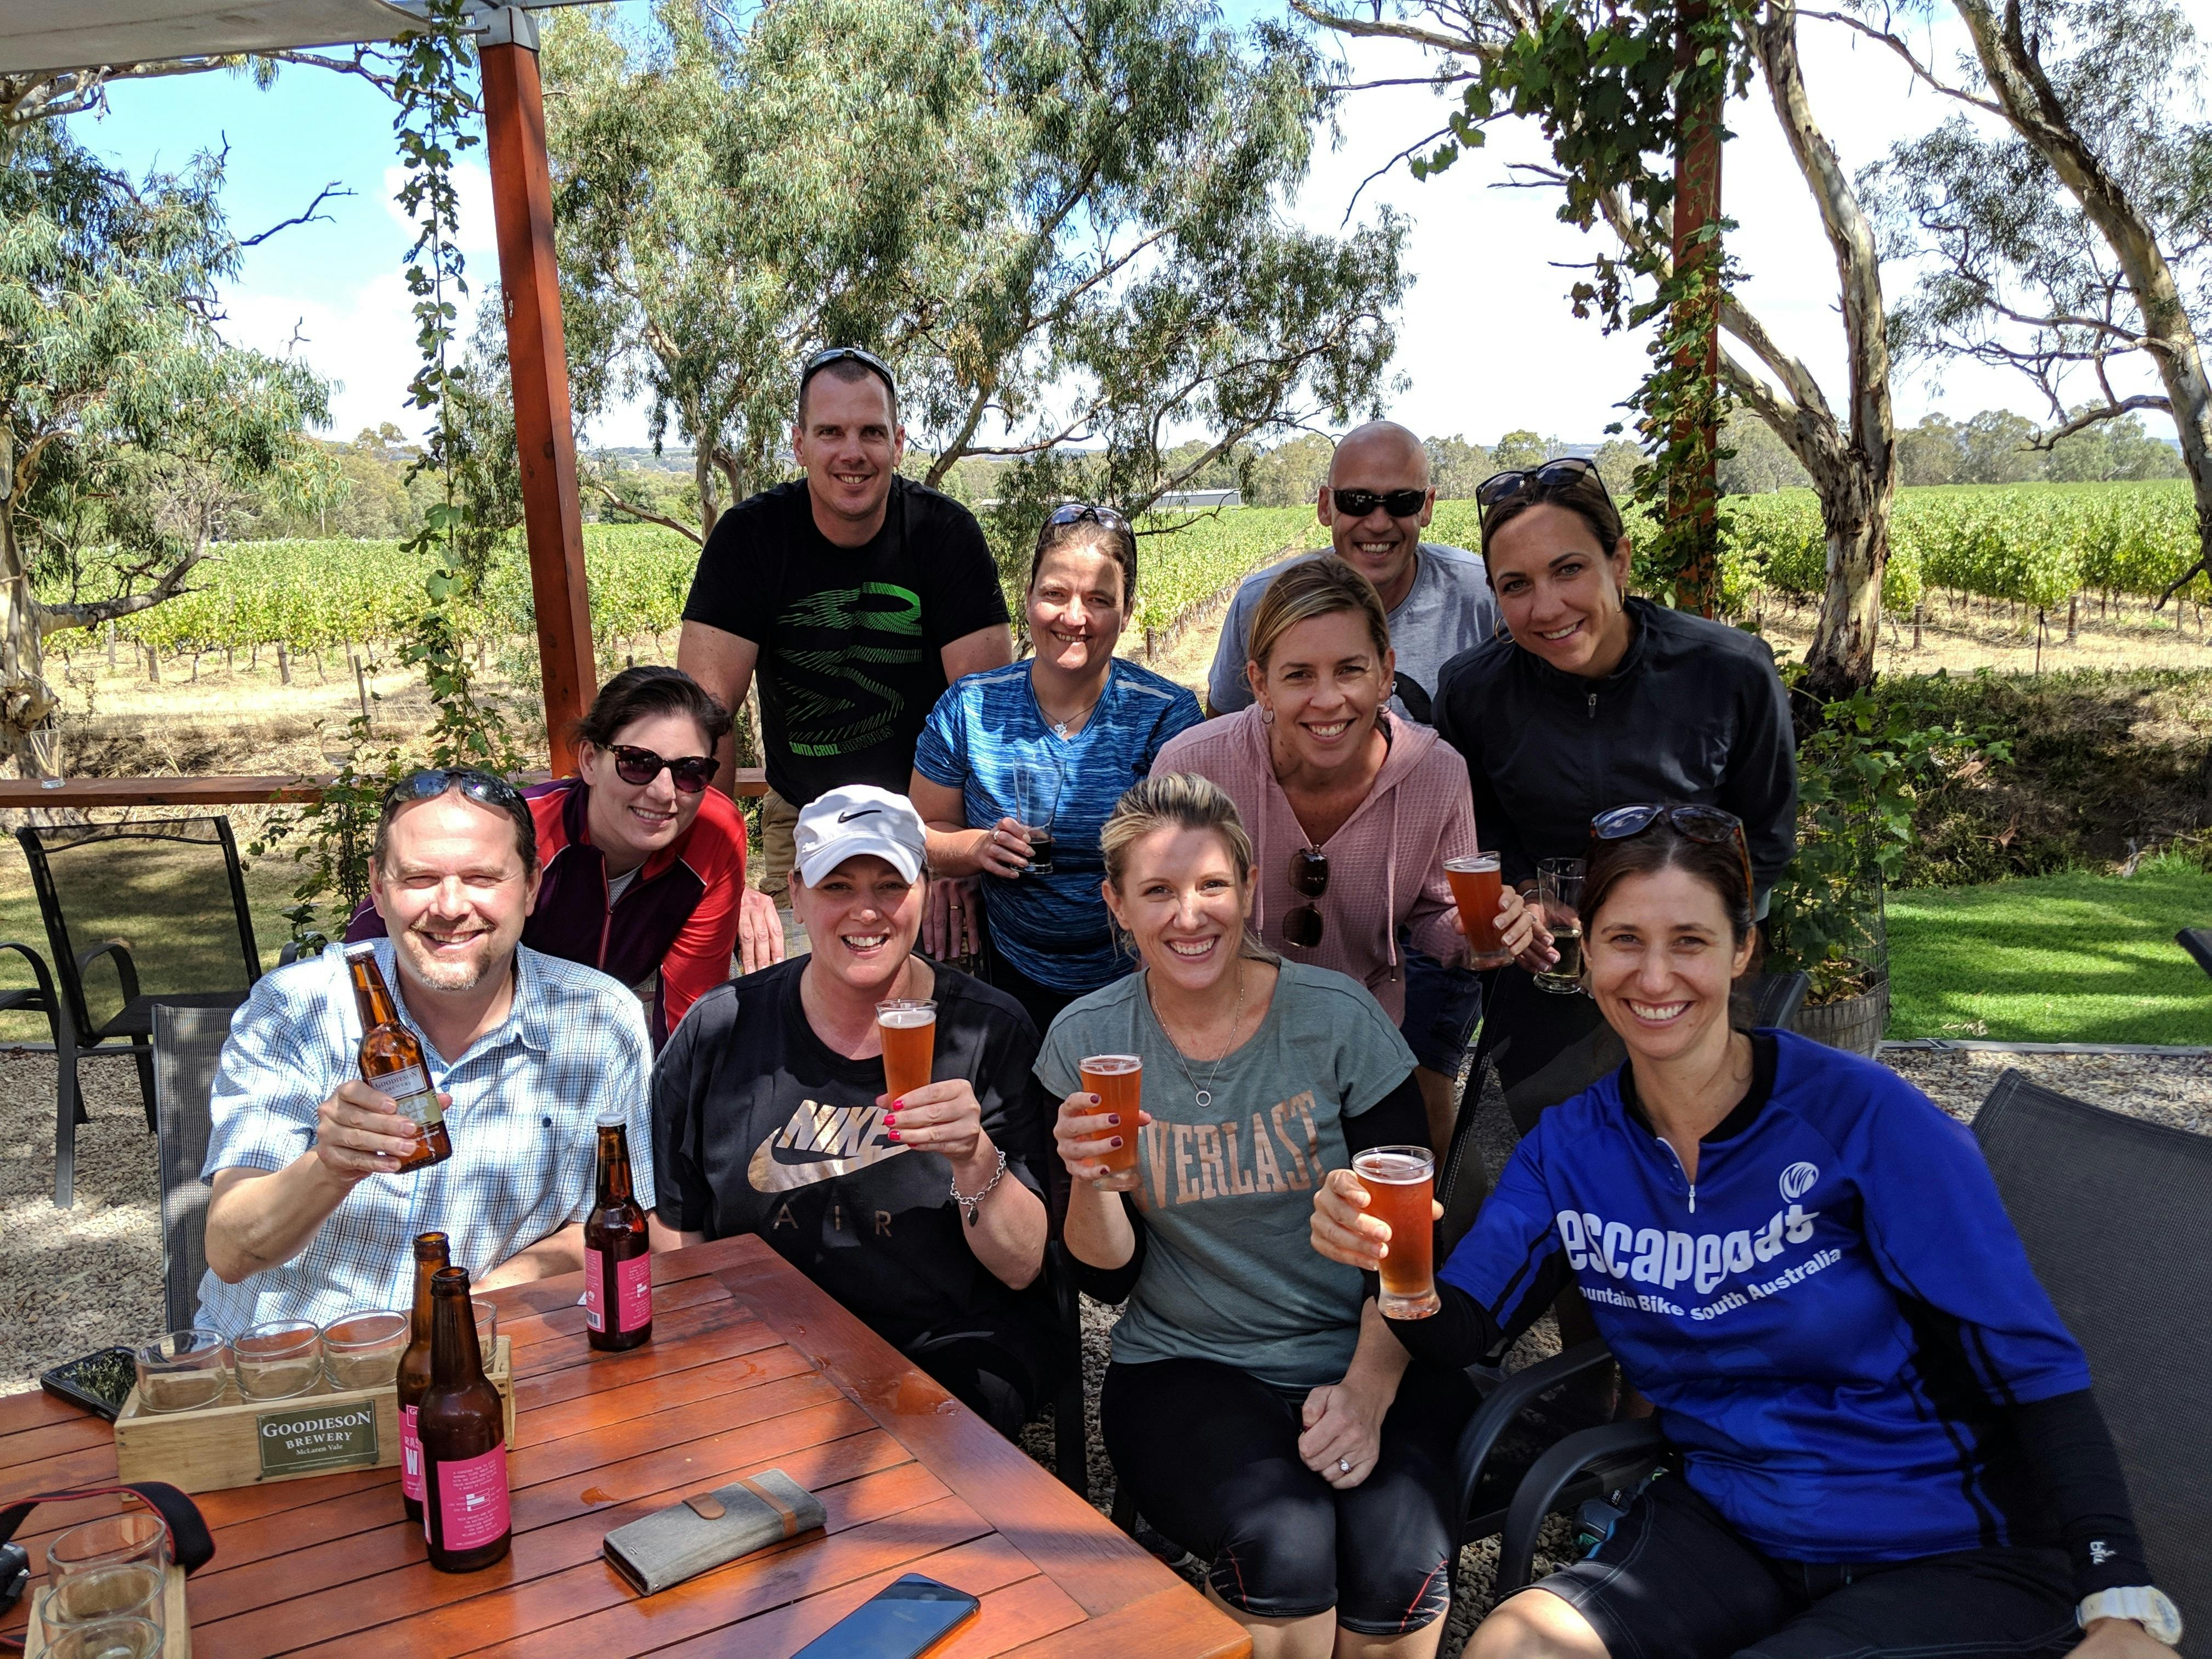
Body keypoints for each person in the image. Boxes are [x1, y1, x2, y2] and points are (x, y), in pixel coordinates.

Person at [1309, 807, 2183, 1659]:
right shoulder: (1570, 1150)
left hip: (1941, 1543)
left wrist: (2122, 1600)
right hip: (1733, 1521)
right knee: (1513, 1646)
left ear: (1741, 950)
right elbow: (1466, 1327)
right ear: (1586, 956)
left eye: (1688, 941)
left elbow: (2036, 1369)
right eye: (1624, 941)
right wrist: (1397, 1268)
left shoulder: (1864, 1117)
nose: (1654, 978)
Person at [1040, 774, 1536, 1659]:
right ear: (1116, 903)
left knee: (1396, 1564)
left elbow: (1403, 1241)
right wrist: (1089, 1178)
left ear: (1248, 886)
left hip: (1369, 1344)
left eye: (1210, 886)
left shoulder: (1334, 1019)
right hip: (1186, 1362)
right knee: (1286, 1544)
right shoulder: (1086, 1040)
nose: (1188, 915)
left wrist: (1368, 1385)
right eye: (1156, 890)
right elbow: (1106, 1276)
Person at [649, 785, 1061, 1440]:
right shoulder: (722, 1029)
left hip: (948, 1342)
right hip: (767, 1345)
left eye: (890, 884)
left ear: (925, 889)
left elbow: (1023, 1265)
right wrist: (701, 1359)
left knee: (908, 1463)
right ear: (797, 893)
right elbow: (676, 1230)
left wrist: (974, 1156)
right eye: (837, 886)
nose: (866, 911)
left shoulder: (990, 1030)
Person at [198, 770, 658, 1336]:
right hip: (294, 1373)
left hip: (479, 1354)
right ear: (378, 887)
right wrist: (331, 1167)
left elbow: (607, 1221)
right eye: (420, 877)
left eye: (482, 877)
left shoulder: (599, 1021)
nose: (449, 906)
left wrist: (460, 1313)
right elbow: (229, 1249)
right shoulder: (295, 1010)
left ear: (533, 887)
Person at [1432, 457, 1797, 1104]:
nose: (1547, 607)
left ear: (1619, 562)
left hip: (1688, 982)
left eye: (1569, 570)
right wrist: (1522, 892)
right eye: (1515, 585)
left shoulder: (1731, 672)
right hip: (1549, 992)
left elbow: (1764, 841)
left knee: (1704, 1167)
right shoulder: (1471, 691)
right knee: (1570, 1173)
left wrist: (1673, 931)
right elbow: (1477, 828)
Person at [1158, 557, 1532, 1153]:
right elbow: (1158, 926)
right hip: (1215, 1053)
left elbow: (1438, 919)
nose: (1327, 700)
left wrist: (1482, 927)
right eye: (1299, 675)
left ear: (1386, 674)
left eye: (1350, 670)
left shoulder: (1437, 776)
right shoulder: (1193, 770)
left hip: (1361, 1051)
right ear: (1259, 684)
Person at [678, 346, 1014, 941]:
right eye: (830, 432)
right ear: (799, 442)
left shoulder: (946, 535)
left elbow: (984, 715)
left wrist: (960, 858)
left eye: (871, 432)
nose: (851, 452)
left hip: (928, 823)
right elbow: (705, 717)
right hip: (802, 817)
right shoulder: (750, 539)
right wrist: (717, 871)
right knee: (799, 1001)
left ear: (899, 442)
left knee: (937, 1006)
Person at [346, 666, 776, 1046]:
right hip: (480, 1030)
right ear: (589, 760)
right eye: (637, 763)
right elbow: (371, 948)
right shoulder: (521, 832)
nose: (664, 792)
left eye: (690, 770)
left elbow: (689, 1012)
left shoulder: (715, 830)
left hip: (599, 1039)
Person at [911, 503, 1203, 1034]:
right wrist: (975, 848)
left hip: (1136, 983)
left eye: (1098, 599)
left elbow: (1189, 861)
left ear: (1128, 611)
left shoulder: (1165, 714)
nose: (1074, 617)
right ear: (1027, 601)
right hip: (1004, 978)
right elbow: (922, 831)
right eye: (1055, 594)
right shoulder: (970, 708)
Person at [1204, 420, 1498, 725]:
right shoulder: (1263, 601)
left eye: (1402, 502)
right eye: (1357, 501)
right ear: (1325, 506)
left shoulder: (1482, 593)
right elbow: (1222, 734)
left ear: (1426, 507)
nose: (1379, 523)